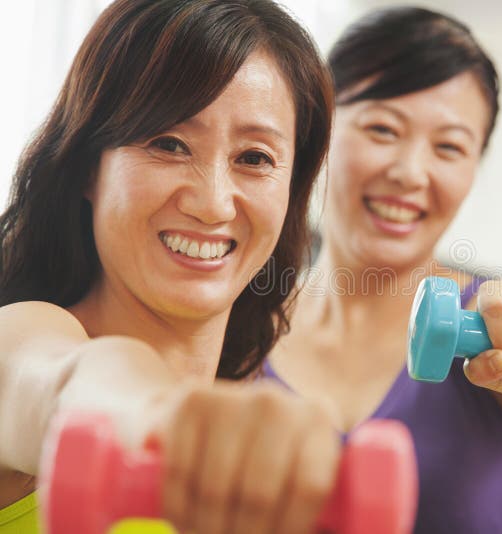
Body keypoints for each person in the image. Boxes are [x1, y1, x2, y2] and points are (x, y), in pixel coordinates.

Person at [0, 1, 340, 533]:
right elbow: (63, 383)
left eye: (254, 158)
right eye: (169, 144)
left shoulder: (252, 453)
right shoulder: (23, 338)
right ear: (90, 166)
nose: (213, 203)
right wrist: (165, 419)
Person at [263, 7, 502, 533]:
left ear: (472, 169)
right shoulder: (236, 324)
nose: (410, 172)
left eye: (449, 147)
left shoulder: (494, 322)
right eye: (382, 128)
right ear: (318, 132)